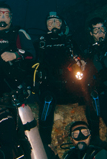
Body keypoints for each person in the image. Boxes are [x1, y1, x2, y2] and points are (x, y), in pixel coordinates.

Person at [35, 12, 88, 146]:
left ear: (61, 24)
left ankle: (93, 137)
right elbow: (31, 60)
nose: (53, 24)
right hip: (49, 84)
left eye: (56, 21)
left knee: (89, 96)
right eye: (50, 22)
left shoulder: (69, 42)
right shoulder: (40, 43)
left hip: (69, 84)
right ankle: (44, 143)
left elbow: (82, 56)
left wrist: (82, 62)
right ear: (46, 25)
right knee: (48, 100)